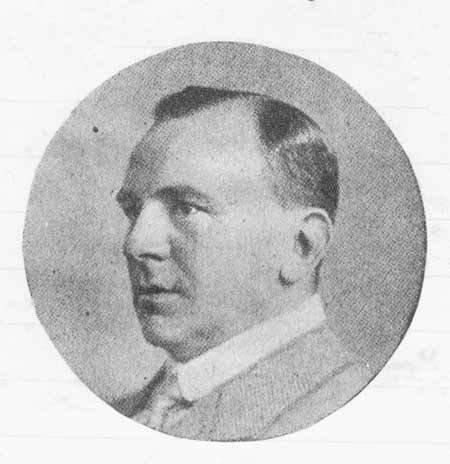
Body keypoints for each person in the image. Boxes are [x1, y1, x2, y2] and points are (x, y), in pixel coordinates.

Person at [113, 86, 371, 440]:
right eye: (133, 210)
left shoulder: (351, 414)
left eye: (186, 208)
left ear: (302, 246)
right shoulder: (121, 414)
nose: (135, 244)